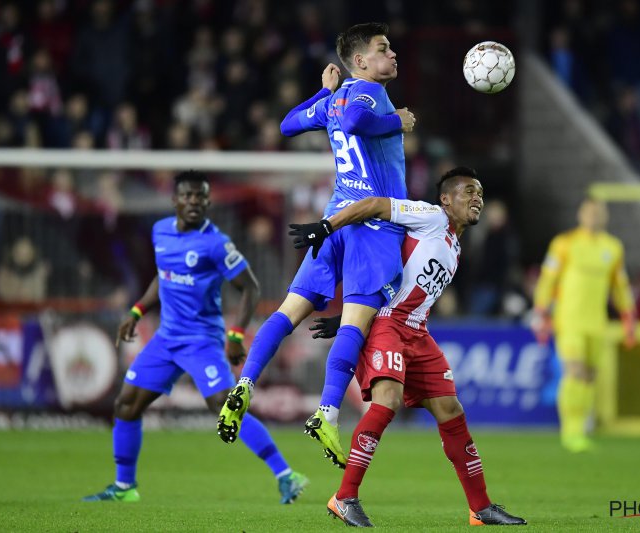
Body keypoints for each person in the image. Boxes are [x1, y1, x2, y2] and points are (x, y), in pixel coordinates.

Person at [217, 22, 416, 469]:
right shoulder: (370, 94)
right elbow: (357, 120)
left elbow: (288, 125)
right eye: (384, 49)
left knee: (289, 310)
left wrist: (322, 93)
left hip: (333, 219)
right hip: (374, 224)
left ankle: (245, 383)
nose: (393, 55)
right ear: (360, 62)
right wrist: (396, 121)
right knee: (355, 324)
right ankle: (327, 412)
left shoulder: (335, 98)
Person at [292, 167, 525, 527]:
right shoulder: (430, 216)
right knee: (388, 401)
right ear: (446, 199)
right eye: (467, 192)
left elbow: (403, 281)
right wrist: (328, 226)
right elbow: (373, 205)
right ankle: (344, 497)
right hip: (388, 325)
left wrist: (348, 321)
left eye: (479, 192)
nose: (477, 198)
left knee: (450, 408)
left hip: (417, 330)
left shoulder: (455, 246)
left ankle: (480, 508)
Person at [83, 171, 307, 504]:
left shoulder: (216, 243)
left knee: (224, 406)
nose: (194, 202)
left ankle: (287, 475)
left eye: (200, 197)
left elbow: (250, 287)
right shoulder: (160, 231)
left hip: (201, 339)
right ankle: (124, 486)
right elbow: (163, 277)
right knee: (126, 405)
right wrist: (136, 312)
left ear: (207, 202)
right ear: (175, 200)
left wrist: (234, 335)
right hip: (166, 338)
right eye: (187, 196)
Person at [532, 199, 636, 452]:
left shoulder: (612, 248)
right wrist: (541, 310)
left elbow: (619, 285)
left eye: (599, 212)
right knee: (575, 371)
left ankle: (582, 428)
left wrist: (629, 315)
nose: (594, 216)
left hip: (596, 322)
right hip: (569, 320)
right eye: (590, 211)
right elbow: (548, 278)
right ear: (580, 214)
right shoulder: (565, 244)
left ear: (606, 216)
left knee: (590, 376)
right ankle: (571, 431)